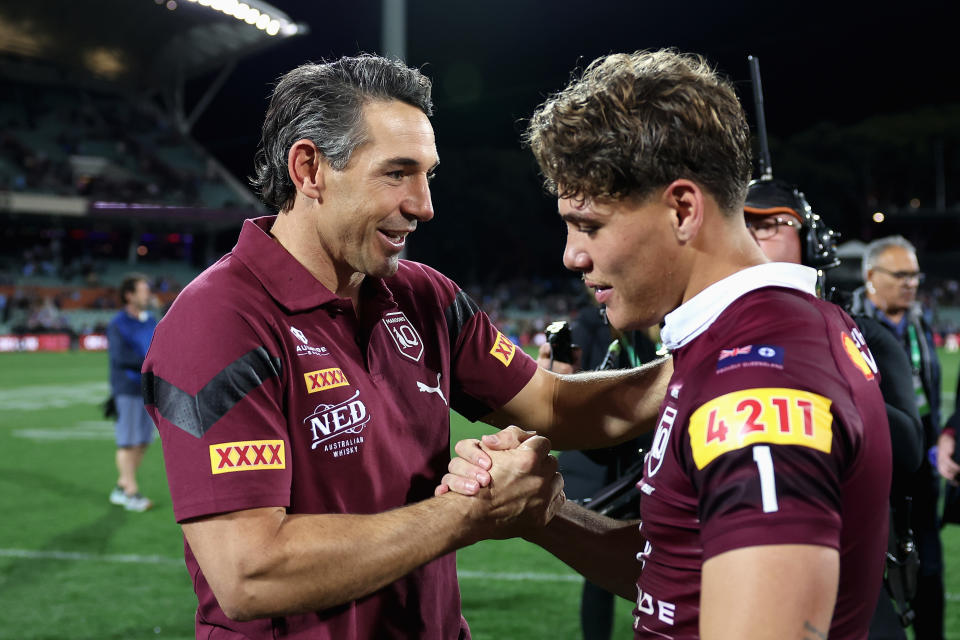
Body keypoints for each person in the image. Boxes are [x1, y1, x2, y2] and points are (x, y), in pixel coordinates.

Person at [142, 54, 673, 639]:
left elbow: (552, 407)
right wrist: (469, 509)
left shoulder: (422, 296)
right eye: (397, 173)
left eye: (427, 174)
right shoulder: (219, 320)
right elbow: (249, 573)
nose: (424, 205)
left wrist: (703, 358)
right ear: (309, 168)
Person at [443, 49, 892, 639]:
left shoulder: (757, 384)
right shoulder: (747, 338)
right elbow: (684, 573)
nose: (572, 255)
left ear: (682, 209)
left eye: (590, 224)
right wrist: (542, 516)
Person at [744, 180, 923, 638]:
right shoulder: (704, 341)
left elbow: (907, 450)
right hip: (743, 574)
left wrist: (820, 368)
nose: (753, 234)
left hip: (850, 581)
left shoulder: (863, 336)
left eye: (771, 224)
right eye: (743, 224)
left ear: (812, 242)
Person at [849, 235, 944, 640]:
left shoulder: (919, 320)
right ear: (871, 276)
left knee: (931, 566)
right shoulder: (848, 324)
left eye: (915, 275)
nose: (911, 283)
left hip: (924, 459)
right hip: (878, 464)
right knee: (878, 570)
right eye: (901, 275)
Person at [107, 273, 158, 512]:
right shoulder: (118, 323)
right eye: (143, 289)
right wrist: (152, 362)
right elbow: (121, 357)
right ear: (129, 295)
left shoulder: (150, 321)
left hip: (149, 387)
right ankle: (131, 492)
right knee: (128, 442)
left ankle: (120, 486)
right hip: (127, 387)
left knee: (143, 441)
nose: (147, 293)